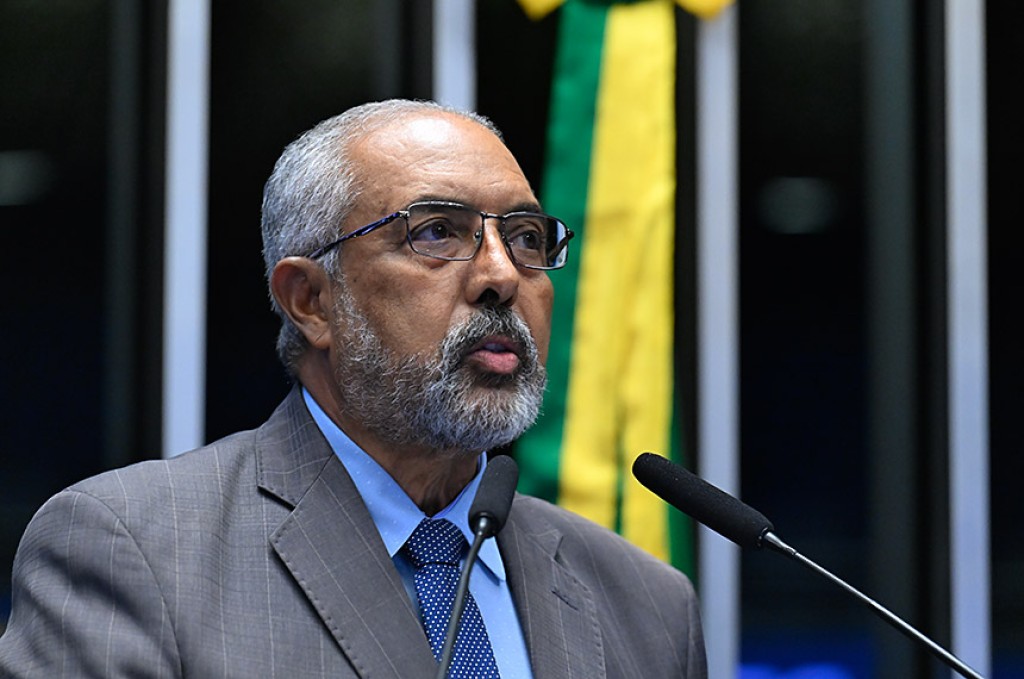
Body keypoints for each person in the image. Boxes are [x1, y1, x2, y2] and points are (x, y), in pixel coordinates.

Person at [0, 100, 706, 678]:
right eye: (437, 231)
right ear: (310, 300)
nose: (501, 275)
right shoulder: (136, 550)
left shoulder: (646, 603)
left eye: (525, 238)